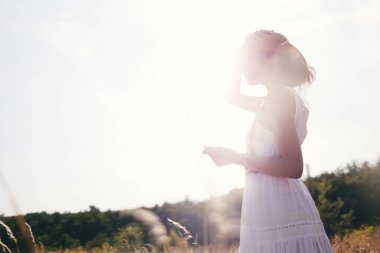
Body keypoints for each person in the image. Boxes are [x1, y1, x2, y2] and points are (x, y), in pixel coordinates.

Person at [203, 30, 333, 253]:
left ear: (267, 60)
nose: (243, 69)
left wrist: (234, 157)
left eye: (247, 61)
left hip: (278, 204)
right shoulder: (275, 98)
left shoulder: (279, 98)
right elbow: (230, 95)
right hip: (269, 202)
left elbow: (293, 166)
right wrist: (238, 56)